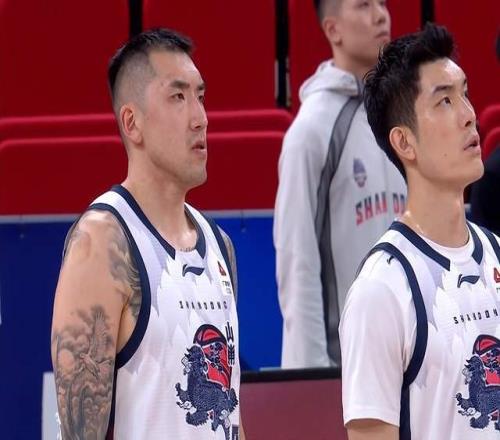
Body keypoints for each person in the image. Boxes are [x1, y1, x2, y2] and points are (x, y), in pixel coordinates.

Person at [51, 29, 245, 440]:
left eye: (200, 96)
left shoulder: (220, 247)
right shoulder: (102, 243)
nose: (200, 118)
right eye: (178, 97)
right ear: (132, 123)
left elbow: (230, 415)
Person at [340, 23, 500, 439]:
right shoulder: (381, 290)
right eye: (444, 101)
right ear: (404, 143)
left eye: (464, 93)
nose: (469, 115)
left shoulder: (497, 253)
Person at [274, 0, 406, 368]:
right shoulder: (311, 130)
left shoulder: (402, 119)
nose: (380, 15)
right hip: (343, 366)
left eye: (382, 3)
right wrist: (311, 375)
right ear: (333, 29)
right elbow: (297, 262)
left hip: (406, 360)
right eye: (363, 5)